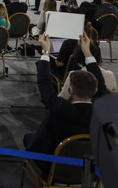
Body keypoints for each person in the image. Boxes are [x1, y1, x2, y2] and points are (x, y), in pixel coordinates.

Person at [23, 33, 98, 168]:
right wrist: (87, 52)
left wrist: (46, 51)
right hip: (90, 169)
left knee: (28, 137)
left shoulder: (60, 108)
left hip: (53, 166)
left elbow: (44, 83)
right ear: (96, 91)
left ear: (70, 90)